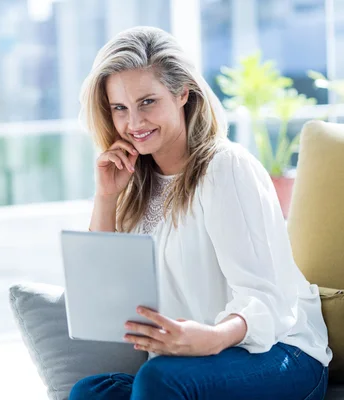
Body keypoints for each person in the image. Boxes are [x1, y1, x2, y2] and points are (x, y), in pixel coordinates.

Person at [70, 26, 331, 400]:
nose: (134, 123)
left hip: (279, 350)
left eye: (148, 102)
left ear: (182, 95)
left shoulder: (225, 167)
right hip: (190, 362)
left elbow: (268, 300)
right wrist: (106, 197)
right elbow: (101, 294)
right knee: (90, 392)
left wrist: (209, 339)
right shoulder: (134, 183)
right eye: (120, 108)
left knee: (160, 379)